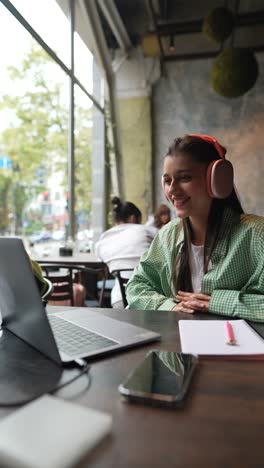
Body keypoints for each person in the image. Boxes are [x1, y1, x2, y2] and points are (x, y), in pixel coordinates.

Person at [126, 134, 264, 321]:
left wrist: (216, 302)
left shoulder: (257, 235)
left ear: (217, 179)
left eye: (184, 178)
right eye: (167, 181)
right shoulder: (168, 235)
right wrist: (169, 306)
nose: (172, 190)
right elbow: (136, 286)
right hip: (178, 345)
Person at [95, 196, 156, 308]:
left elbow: (100, 260)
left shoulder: (104, 238)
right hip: (153, 298)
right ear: (133, 218)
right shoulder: (145, 230)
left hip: (120, 299)